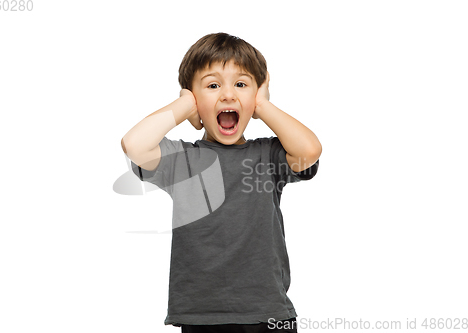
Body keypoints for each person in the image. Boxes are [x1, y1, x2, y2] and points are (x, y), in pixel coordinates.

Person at [121, 32, 322, 333]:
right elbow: (134, 144)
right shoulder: (183, 160)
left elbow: (309, 150)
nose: (228, 95)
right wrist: (183, 107)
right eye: (213, 86)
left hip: (267, 314)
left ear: (256, 96)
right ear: (193, 100)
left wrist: (264, 107)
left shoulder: (269, 154)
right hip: (201, 317)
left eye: (241, 85)